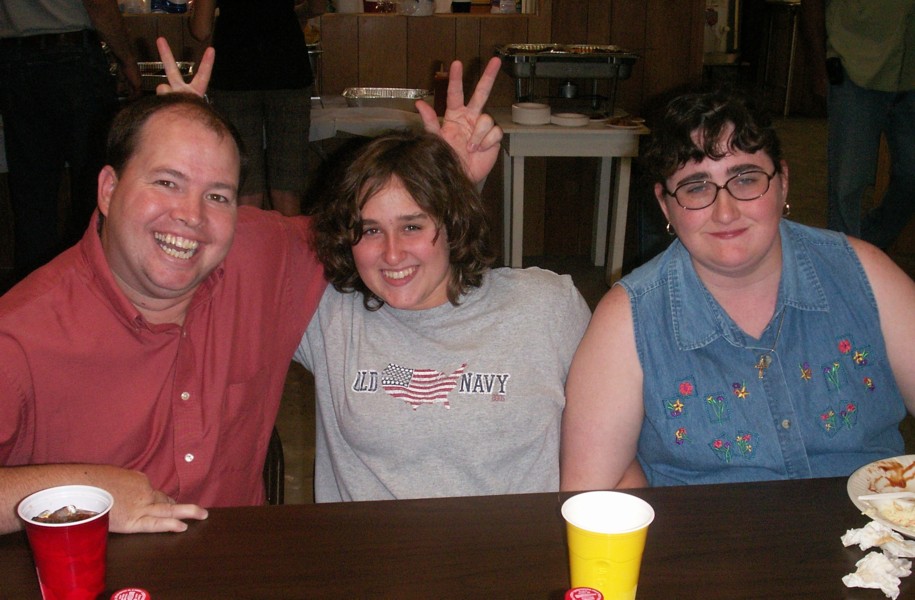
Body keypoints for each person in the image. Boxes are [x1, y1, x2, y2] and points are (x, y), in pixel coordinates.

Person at [0, 39, 505, 534]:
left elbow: (377, 233)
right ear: (109, 189)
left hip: (239, 571)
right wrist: (87, 493)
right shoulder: (21, 334)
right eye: (167, 182)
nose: (190, 217)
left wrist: (440, 180)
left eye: (216, 194)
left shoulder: (260, 255)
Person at [560, 86, 915, 490]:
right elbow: (590, 491)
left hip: (875, 535)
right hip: (709, 545)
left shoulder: (863, 274)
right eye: (696, 188)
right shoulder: (628, 319)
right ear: (665, 206)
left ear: (782, 182)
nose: (725, 211)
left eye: (745, 179)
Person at [294, 130, 594, 502]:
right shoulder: (327, 312)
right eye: (371, 230)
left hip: (517, 553)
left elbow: (611, 443)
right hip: (370, 557)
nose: (391, 254)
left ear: (452, 224)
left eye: (411, 227)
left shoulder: (546, 306)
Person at [0, 0, 142, 282]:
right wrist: (127, 59)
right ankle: (89, 294)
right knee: (93, 193)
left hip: (13, 58)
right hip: (71, 57)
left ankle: (33, 302)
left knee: (32, 199)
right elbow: (98, 4)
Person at [189, 0, 324, 216]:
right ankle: (290, 248)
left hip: (235, 71)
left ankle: (249, 248)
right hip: (287, 67)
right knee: (287, 189)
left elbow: (201, 29)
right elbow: (318, 6)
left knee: (246, 190)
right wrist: (291, 13)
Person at [814, 0, 915, 249]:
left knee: (911, 177)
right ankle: (842, 267)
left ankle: (865, 247)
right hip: (855, 66)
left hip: (910, 72)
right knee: (847, 185)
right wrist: (818, 67)